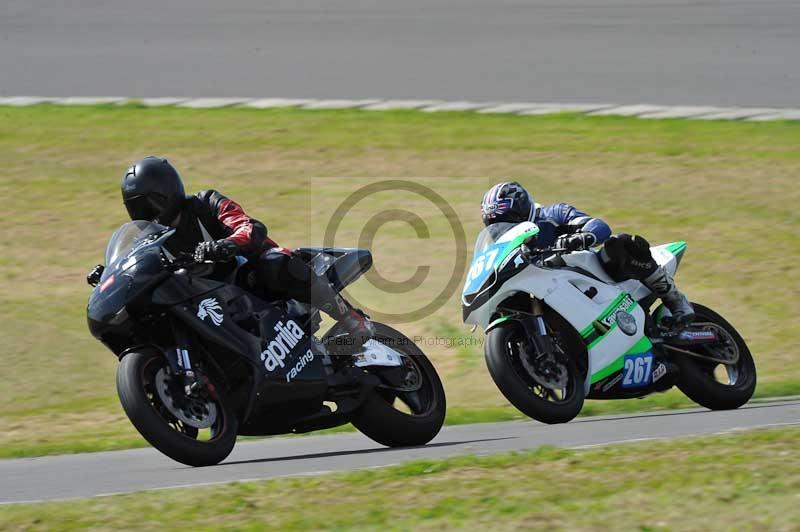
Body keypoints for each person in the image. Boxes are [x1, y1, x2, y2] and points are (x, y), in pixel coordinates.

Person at [87, 156, 374, 346]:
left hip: (250, 282)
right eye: (136, 206)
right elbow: (138, 264)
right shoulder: (147, 238)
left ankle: (351, 319)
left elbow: (248, 227)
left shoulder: (205, 203)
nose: (146, 212)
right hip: (208, 302)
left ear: (167, 192)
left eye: (150, 203)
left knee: (274, 262)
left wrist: (226, 244)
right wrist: (112, 275)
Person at [480, 181, 695, 330]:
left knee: (619, 245)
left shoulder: (551, 214)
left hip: (592, 276)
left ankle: (677, 302)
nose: (501, 228)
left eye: (506, 220)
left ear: (520, 211)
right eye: (494, 223)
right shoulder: (502, 248)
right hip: (550, 293)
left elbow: (599, 227)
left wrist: (579, 238)